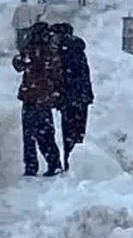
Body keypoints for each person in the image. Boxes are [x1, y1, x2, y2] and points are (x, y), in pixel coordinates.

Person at [12, 21, 64, 177]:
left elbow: (18, 64)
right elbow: (57, 74)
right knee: (46, 133)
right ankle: (53, 162)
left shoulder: (30, 50)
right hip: (44, 98)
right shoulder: (51, 52)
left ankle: (31, 165)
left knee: (29, 135)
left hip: (30, 97)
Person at [52, 22, 93, 169]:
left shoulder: (64, 52)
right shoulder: (77, 49)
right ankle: (78, 163)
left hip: (70, 98)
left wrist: (59, 95)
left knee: (68, 133)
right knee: (79, 132)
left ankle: (70, 164)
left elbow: (62, 76)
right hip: (82, 97)